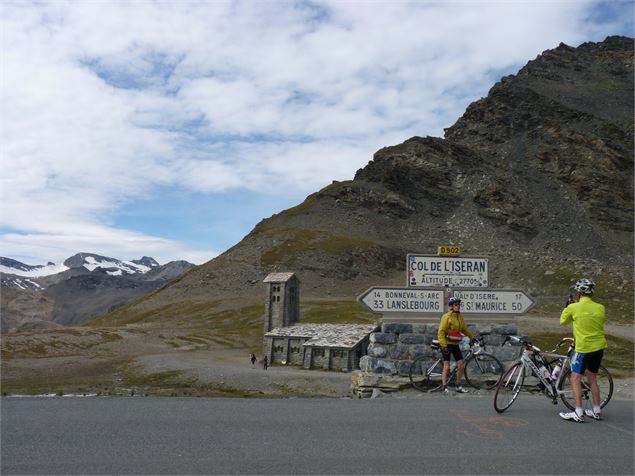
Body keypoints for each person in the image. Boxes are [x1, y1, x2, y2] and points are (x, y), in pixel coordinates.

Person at [558, 278, 607, 423]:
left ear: (579, 293)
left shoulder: (574, 307)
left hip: (583, 348)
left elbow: (563, 321)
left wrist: (568, 307)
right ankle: (596, 411)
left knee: (575, 378)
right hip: (599, 347)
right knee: (593, 379)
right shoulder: (600, 307)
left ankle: (578, 412)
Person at [438, 297, 475, 394]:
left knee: (461, 365)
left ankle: (458, 385)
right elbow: (441, 332)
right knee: (447, 366)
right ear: (451, 306)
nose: (458, 306)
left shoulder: (460, 317)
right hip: (447, 344)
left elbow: (464, 329)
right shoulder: (446, 317)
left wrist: (472, 337)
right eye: (455, 304)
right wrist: (444, 345)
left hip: (455, 344)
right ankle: (444, 386)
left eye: (459, 304)